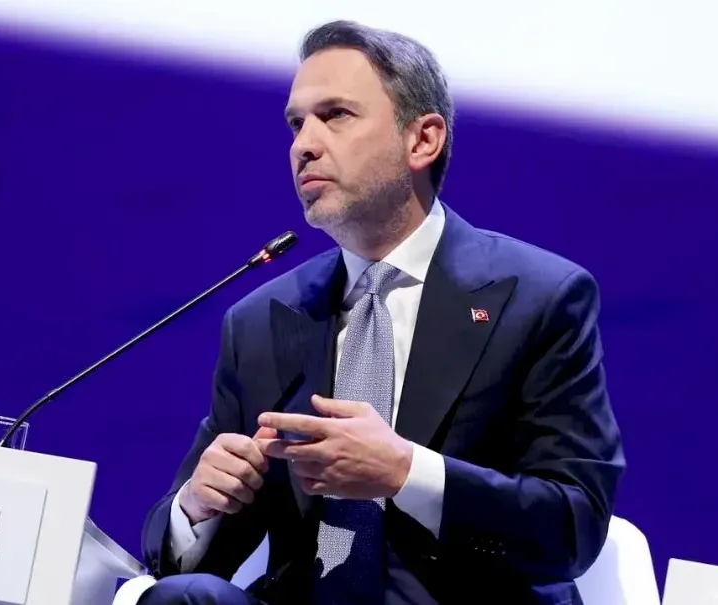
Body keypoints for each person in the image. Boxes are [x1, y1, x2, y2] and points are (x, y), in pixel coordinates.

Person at [140, 19, 624, 605]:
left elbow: (573, 524)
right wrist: (197, 507)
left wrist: (404, 472)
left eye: (335, 115)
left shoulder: (538, 298)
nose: (303, 144)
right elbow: (190, 557)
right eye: (296, 123)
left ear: (423, 140)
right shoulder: (263, 320)